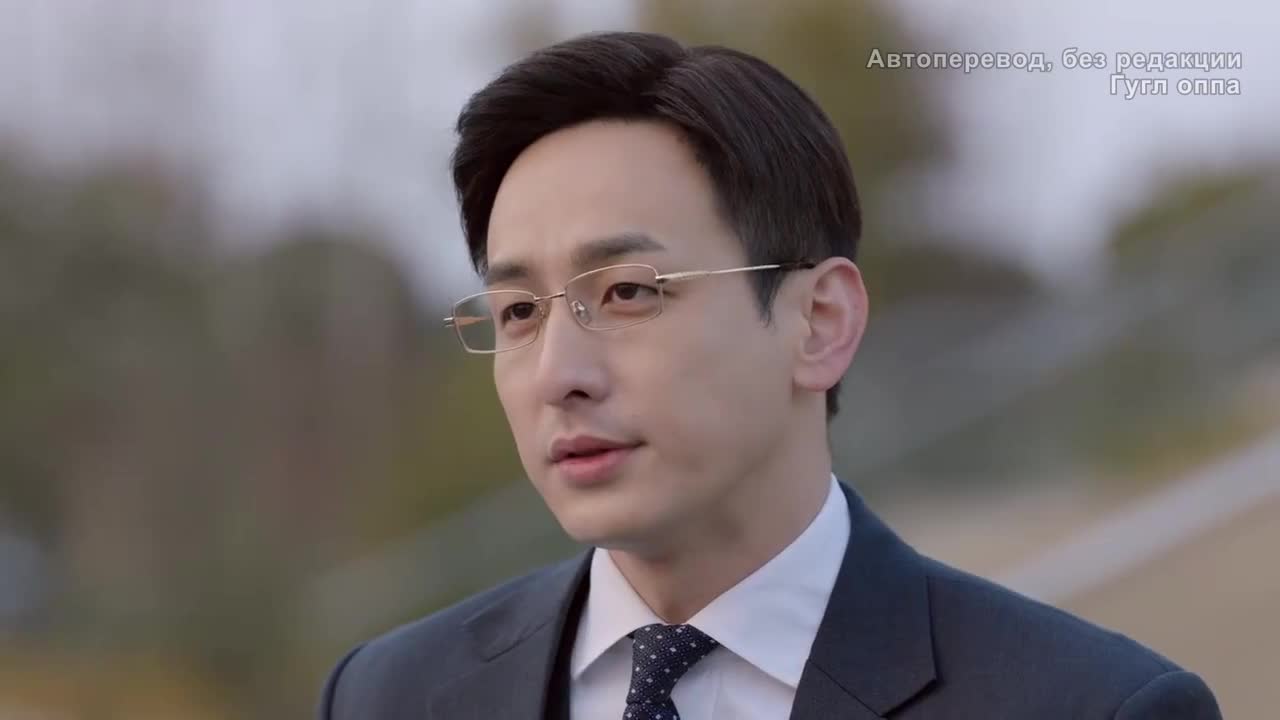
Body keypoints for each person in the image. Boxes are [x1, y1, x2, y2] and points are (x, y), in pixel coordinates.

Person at [316, 31, 1221, 719]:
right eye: (519, 311)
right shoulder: (388, 695)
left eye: (627, 292)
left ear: (820, 322)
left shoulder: (1089, 705)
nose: (558, 374)